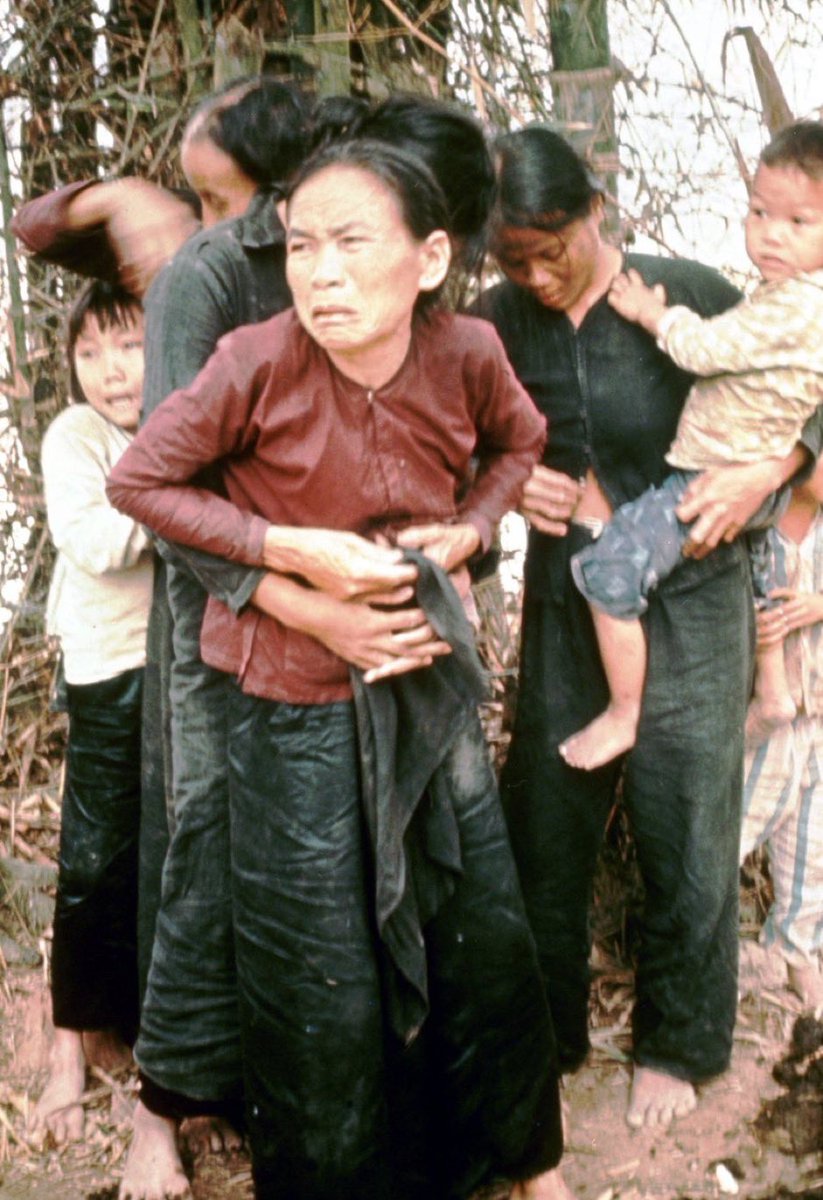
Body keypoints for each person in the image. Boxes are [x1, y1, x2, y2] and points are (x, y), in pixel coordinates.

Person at [107, 138, 570, 1200]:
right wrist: (285, 552)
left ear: (431, 257)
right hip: (287, 697)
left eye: (352, 243)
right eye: (302, 246)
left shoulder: (467, 354)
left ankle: (520, 1162)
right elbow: (139, 481)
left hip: (419, 678)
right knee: (310, 955)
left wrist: (471, 528)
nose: (320, 273)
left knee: (478, 929)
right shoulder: (255, 358)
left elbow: (519, 444)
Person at [474, 124, 823, 1131]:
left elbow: (800, 408)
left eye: (556, 246)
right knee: (545, 811)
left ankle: (678, 1043)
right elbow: (461, 446)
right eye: (514, 257)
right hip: (567, 591)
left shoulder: (692, 294)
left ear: (597, 213)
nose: (537, 273)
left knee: (686, 816)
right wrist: (509, 486)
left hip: (700, 593)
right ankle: (549, 1033)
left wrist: (776, 469)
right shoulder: (493, 320)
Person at [561, 119, 823, 771]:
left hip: (711, 478)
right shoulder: (791, 297)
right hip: (760, 479)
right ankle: (773, 686)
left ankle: (624, 710)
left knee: (608, 569)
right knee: (759, 577)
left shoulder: (795, 306)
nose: (770, 233)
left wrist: (653, 314)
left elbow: (704, 352)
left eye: (798, 222)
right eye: (759, 212)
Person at [31, 281, 152, 1144]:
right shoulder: (77, 436)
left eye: (130, 345)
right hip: (108, 664)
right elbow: (96, 541)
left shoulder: (178, 412)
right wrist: (189, 500)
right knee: (95, 853)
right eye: (89, 353)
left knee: (164, 851)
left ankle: (143, 1038)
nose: (111, 373)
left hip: (185, 667)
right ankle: (70, 1040)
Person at [741, 454, 823, 1010]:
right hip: (763, 717)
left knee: (813, 848)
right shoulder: (756, 526)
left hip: (819, 714)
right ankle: (705, 957)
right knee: (729, 832)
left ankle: (797, 952)